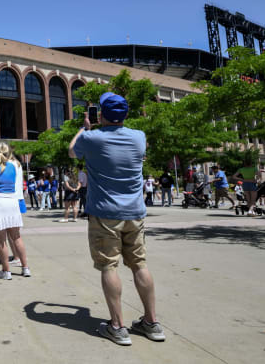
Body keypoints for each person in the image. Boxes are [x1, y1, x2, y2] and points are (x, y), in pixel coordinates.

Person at [70, 92, 165, 346]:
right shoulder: (139, 137)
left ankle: (117, 326)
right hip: (135, 213)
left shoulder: (91, 138)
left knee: (108, 266)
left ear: (100, 114)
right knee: (139, 265)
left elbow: (71, 152)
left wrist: (84, 128)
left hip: (104, 214)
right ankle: (151, 322)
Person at [0, 142, 30, 279]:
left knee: (1, 240)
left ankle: (6, 271)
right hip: (12, 202)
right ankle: (25, 268)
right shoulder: (13, 166)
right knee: (17, 237)